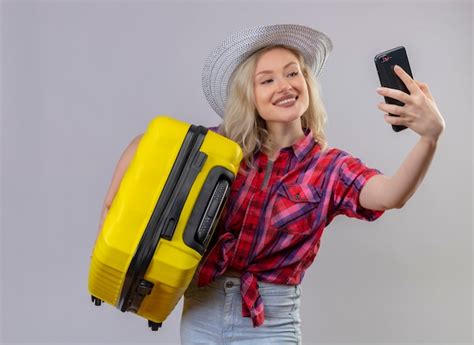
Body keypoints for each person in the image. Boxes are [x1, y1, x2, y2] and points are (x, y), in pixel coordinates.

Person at [98, 24, 445, 344]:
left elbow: (390, 195)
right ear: (249, 95)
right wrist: (110, 211)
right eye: (267, 80)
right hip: (202, 309)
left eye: (293, 73)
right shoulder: (221, 150)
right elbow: (149, 144)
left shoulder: (330, 168)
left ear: (307, 84)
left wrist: (429, 138)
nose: (284, 85)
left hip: (271, 320)